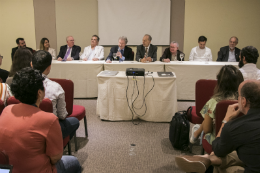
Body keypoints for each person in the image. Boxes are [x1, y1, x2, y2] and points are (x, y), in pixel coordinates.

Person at [0, 67, 81, 173]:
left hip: (8, 169)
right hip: (40, 170)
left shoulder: (7, 110)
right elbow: (55, 158)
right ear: (39, 92)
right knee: (74, 161)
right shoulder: (49, 119)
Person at [175, 80, 260, 173]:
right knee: (235, 153)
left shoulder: (236, 127)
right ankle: (208, 159)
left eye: (238, 95)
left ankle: (209, 161)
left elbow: (217, 148)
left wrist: (226, 120)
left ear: (243, 101)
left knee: (222, 167)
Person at [190, 65, 244, 146]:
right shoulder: (245, 102)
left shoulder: (213, 102)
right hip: (240, 141)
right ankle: (197, 132)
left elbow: (207, 129)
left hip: (218, 141)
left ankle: (196, 133)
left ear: (219, 83)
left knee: (207, 120)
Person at [32, 50, 79, 140]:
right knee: (74, 121)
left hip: (26, 125)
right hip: (50, 128)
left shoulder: (20, 84)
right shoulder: (55, 87)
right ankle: (58, 146)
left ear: (31, 65)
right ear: (49, 67)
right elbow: (62, 116)